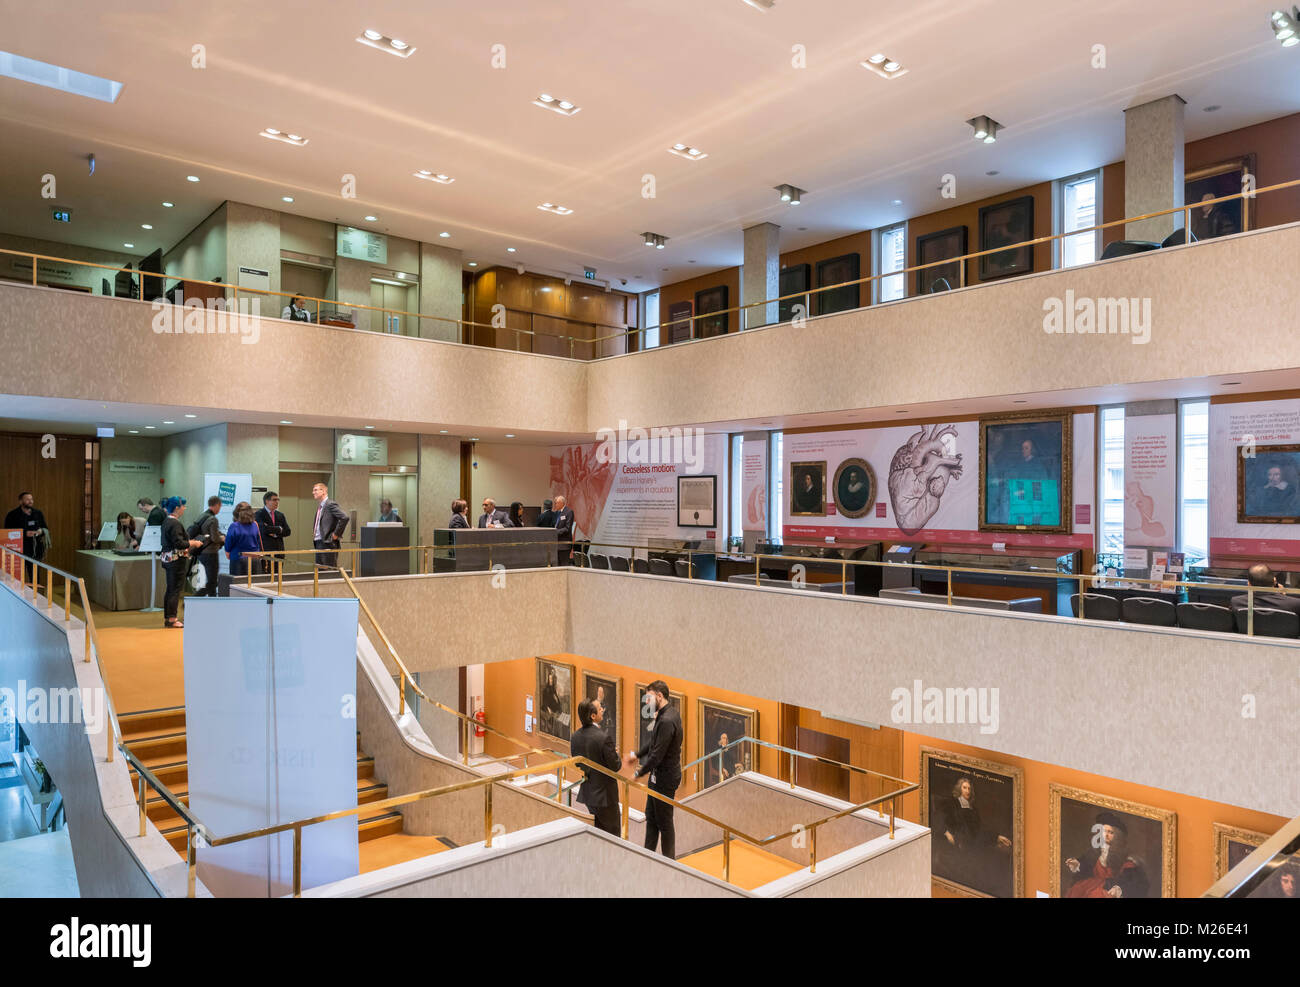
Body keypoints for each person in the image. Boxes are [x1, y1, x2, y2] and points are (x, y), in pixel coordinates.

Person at [625, 679, 683, 859]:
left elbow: (657, 755)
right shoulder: (667, 713)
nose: (647, 702)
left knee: (664, 822)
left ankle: (668, 863)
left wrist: (639, 773)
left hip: (665, 778)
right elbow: (653, 742)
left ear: (659, 695)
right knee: (651, 816)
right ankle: (647, 857)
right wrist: (637, 754)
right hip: (657, 776)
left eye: (649, 698)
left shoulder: (667, 720)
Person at [935, 776, 1013, 897]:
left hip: (969, 844)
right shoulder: (951, 803)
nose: (967, 791)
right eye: (964, 787)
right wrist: (947, 832)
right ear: (959, 788)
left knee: (992, 859)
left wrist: (997, 837)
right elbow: (940, 819)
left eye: (969, 788)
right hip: (952, 845)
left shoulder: (973, 809)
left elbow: (977, 831)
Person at [1064, 811, 1150, 898]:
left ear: (1117, 835)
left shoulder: (1123, 855)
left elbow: (1129, 877)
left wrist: (1119, 888)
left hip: (1110, 887)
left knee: (1096, 894)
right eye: (1104, 831)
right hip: (1092, 884)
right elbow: (1086, 865)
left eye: (1110, 832)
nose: (1106, 835)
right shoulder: (1094, 851)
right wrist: (1077, 864)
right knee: (1077, 889)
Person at [570, 697, 622, 836]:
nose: (603, 710)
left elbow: (577, 763)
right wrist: (616, 754)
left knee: (597, 832)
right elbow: (616, 766)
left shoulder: (575, 736)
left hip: (588, 793)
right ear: (593, 716)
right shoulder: (603, 738)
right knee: (613, 834)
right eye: (600, 709)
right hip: (605, 796)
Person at [159, 496, 202, 628]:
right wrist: (193, 542)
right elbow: (179, 543)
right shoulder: (175, 523)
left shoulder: (167, 521)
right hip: (176, 560)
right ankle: (172, 618)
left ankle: (169, 616)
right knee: (175, 589)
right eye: (183, 506)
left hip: (168, 559)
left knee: (171, 589)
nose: (185, 508)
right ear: (177, 508)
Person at [1229, 562, 1300, 624]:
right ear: (1275, 581)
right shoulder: (1295, 604)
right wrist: (1283, 596)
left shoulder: (1236, 602)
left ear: (1249, 584)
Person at [4, 492, 48, 583]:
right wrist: (25, 533)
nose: (30, 501)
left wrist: (41, 531)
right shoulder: (12, 515)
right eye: (27, 499)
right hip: (19, 550)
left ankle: (36, 596)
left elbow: (45, 528)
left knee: (35, 577)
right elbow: (7, 532)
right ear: (21, 501)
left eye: (31, 499)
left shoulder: (38, 513)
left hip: (35, 551)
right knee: (17, 577)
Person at [187, 496, 224, 596]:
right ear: (216, 505)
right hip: (210, 553)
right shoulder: (213, 519)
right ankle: (193, 600)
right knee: (212, 581)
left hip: (201, 551)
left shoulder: (202, 516)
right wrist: (222, 539)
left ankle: (211, 602)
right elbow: (215, 538)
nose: (219, 509)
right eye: (220, 506)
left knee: (211, 580)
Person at [311, 482, 348, 569]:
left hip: (328, 543)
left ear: (323, 491)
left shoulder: (330, 504)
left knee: (328, 573)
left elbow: (344, 518)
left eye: (315, 490)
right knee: (320, 573)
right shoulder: (321, 506)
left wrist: (336, 534)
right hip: (319, 542)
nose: (313, 492)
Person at [224, 501, 263, 578]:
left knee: (238, 586)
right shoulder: (255, 525)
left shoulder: (234, 526)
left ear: (236, 513)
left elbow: (229, 543)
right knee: (254, 586)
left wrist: (228, 552)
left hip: (238, 559)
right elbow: (258, 541)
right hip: (254, 559)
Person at [254, 492, 291, 567]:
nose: (277, 502)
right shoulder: (259, 514)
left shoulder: (280, 515)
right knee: (266, 576)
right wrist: (279, 529)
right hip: (266, 551)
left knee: (278, 576)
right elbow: (263, 530)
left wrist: (275, 533)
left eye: (278, 500)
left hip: (279, 551)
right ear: (267, 501)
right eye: (274, 500)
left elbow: (287, 531)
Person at [553, 494, 575, 565]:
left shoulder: (569, 512)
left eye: (556, 503)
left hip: (564, 545)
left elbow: (567, 528)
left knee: (564, 565)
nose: (555, 505)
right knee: (557, 566)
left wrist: (555, 532)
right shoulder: (557, 513)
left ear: (561, 503)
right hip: (557, 545)